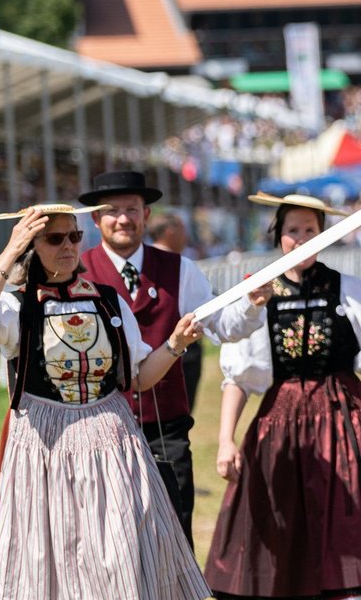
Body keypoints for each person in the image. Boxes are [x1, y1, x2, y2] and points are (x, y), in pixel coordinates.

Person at [0, 203, 210, 599]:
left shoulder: (108, 300)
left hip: (113, 443)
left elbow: (140, 378)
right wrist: (9, 253)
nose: (68, 246)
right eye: (54, 238)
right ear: (30, 246)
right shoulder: (17, 306)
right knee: (50, 552)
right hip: (45, 449)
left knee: (122, 546)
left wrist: (176, 344)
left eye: (74, 236)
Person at [205, 192, 361, 599]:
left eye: (310, 230)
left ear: (324, 235)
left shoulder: (348, 289)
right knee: (278, 521)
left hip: (343, 420)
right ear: (278, 236)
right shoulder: (258, 296)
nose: (301, 239)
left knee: (345, 519)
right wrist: (225, 440)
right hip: (280, 423)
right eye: (293, 230)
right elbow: (239, 378)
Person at [78, 170, 268, 544]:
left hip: (166, 429)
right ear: (96, 218)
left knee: (174, 535)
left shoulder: (180, 270)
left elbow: (222, 325)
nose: (123, 219)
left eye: (132, 209)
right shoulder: (79, 272)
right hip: (97, 428)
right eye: (113, 210)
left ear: (146, 215)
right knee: (106, 537)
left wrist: (251, 303)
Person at [148, 211, 206, 408]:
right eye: (183, 229)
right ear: (170, 231)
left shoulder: (142, 262)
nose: (186, 236)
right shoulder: (180, 265)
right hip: (181, 354)